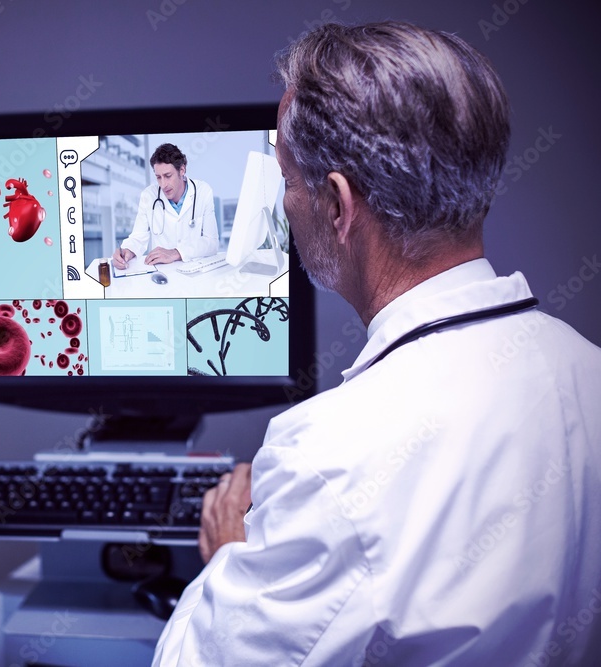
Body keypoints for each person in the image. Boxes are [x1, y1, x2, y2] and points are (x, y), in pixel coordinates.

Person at [153, 22, 601, 666]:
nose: (282, 204)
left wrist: (230, 561)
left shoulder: (330, 456)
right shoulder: (586, 370)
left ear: (337, 206)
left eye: (285, 179)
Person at [112, 143, 219, 268]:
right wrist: (127, 251)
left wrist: (176, 253)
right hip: (162, 271)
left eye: (168, 176)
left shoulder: (202, 191)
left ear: (182, 170)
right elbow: (138, 237)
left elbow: (212, 242)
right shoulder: (149, 196)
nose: (163, 184)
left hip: (194, 269)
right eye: (158, 177)